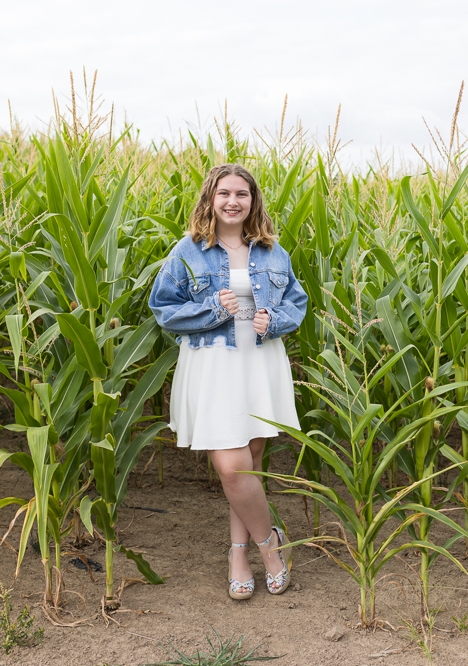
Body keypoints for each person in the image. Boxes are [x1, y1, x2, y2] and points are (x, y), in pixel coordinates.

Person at [148, 164, 308, 600]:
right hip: (212, 365)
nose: (233, 201)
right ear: (210, 199)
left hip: (260, 364)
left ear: (253, 201)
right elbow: (163, 307)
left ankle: (239, 555)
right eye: (224, 194)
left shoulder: (273, 251)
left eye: (242, 194)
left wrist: (272, 320)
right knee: (233, 468)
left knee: (249, 464)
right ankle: (271, 547)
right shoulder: (189, 250)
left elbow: (296, 300)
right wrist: (212, 309)